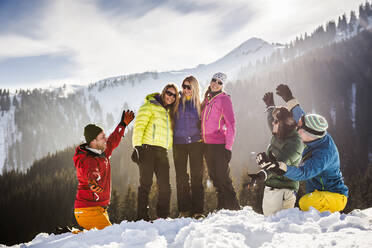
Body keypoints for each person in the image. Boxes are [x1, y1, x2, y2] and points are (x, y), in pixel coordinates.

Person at [256, 84, 349, 213]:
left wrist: (280, 167)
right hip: (316, 194)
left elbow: (304, 173)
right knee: (305, 203)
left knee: (304, 203)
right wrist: (289, 98)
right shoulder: (315, 132)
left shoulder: (323, 154)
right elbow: (300, 115)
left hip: (334, 197)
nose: (296, 129)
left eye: (299, 128)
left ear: (309, 135)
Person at [73, 110, 135, 230]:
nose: (105, 139)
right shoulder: (87, 159)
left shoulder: (101, 153)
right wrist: (93, 181)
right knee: (111, 239)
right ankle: (73, 235)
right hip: (88, 210)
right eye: (102, 137)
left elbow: (112, 141)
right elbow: (90, 171)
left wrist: (122, 125)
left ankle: (74, 235)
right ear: (93, 142)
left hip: (95, 210)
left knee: (102, 239)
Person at [247, 92, 304, 216]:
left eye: (276, 121)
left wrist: (262, 174)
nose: (273, 123)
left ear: (284, 124)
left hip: (283, 190)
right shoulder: (278, 134)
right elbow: (271, 120)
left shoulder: (295, 143)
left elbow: (281, 165)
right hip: (271, 189)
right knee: (271, 226)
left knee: (278, 228)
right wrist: (270, 107)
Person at [131, 83, 179, 221]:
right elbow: (139, 126)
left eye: (174, 95)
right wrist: (137, 147)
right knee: (145, 184)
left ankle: (162, 216)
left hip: (162, 152)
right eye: (169, 93)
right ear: (164, 92)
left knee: (165, 186)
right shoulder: (149, 106)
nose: (171, 97)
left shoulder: (170, 112)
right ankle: (141, 217)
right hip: (147, 149)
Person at [201, 72, 240, 211]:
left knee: (223, 178)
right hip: (207, 145)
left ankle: (235, 208)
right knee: (215, 178)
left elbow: (231, 123)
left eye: (219, 82)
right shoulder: (208, 98)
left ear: (223, 86)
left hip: (219, 145)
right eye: (214, 80)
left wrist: (228, 147)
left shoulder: (224, 99)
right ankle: (222, 208)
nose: (216, 84)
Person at [173, 76, 205, 219]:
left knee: (197, 177)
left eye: (189, 87)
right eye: (184, 86)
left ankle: (198, 211)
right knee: (181, 178)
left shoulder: (199, 103)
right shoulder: (177, 101)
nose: (185, 90)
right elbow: (163, 101)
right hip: (179, 143)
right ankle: (184, 211)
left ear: (194, 88)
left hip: (196, 143)